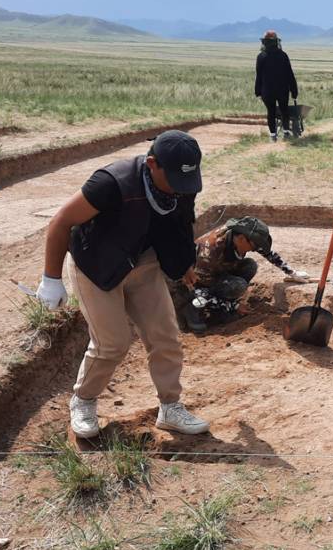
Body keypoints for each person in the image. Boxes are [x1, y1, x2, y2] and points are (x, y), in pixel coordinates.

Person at [36, 130, 210, 439]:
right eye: (173, 179)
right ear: (153, 164)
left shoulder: (181, 185)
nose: (180, 189)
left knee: (165, 336)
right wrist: (51, 279)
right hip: (97, 267)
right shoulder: (112, 183)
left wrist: (184, 264)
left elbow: (182, 224)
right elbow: (61, 221)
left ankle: (170, 407)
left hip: (143, 264)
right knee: (113, 342)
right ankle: (84, 400)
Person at [172, 216, 311, 332]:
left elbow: (267, 252)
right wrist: (234, 306)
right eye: (254, 245)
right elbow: (198, 288)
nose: (255, 249)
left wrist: (292, 272)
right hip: (194, 285)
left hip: (217, 273)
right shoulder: (210, 252)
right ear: (242, 239)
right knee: (237, 286)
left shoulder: (240, 237)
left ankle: (223, 304)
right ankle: (193, 309)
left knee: (250, 266)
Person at [254, 30, 299, 142]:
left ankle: (273, 136)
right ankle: (286, 133)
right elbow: (290, 74)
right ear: (276, 42)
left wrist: (258, 91)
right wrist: (294, 91)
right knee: (284, 111)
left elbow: (258, 76)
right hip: (282, 90)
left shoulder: (261, 57)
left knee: (271, 112)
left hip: (267, 91)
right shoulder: (283, 56)